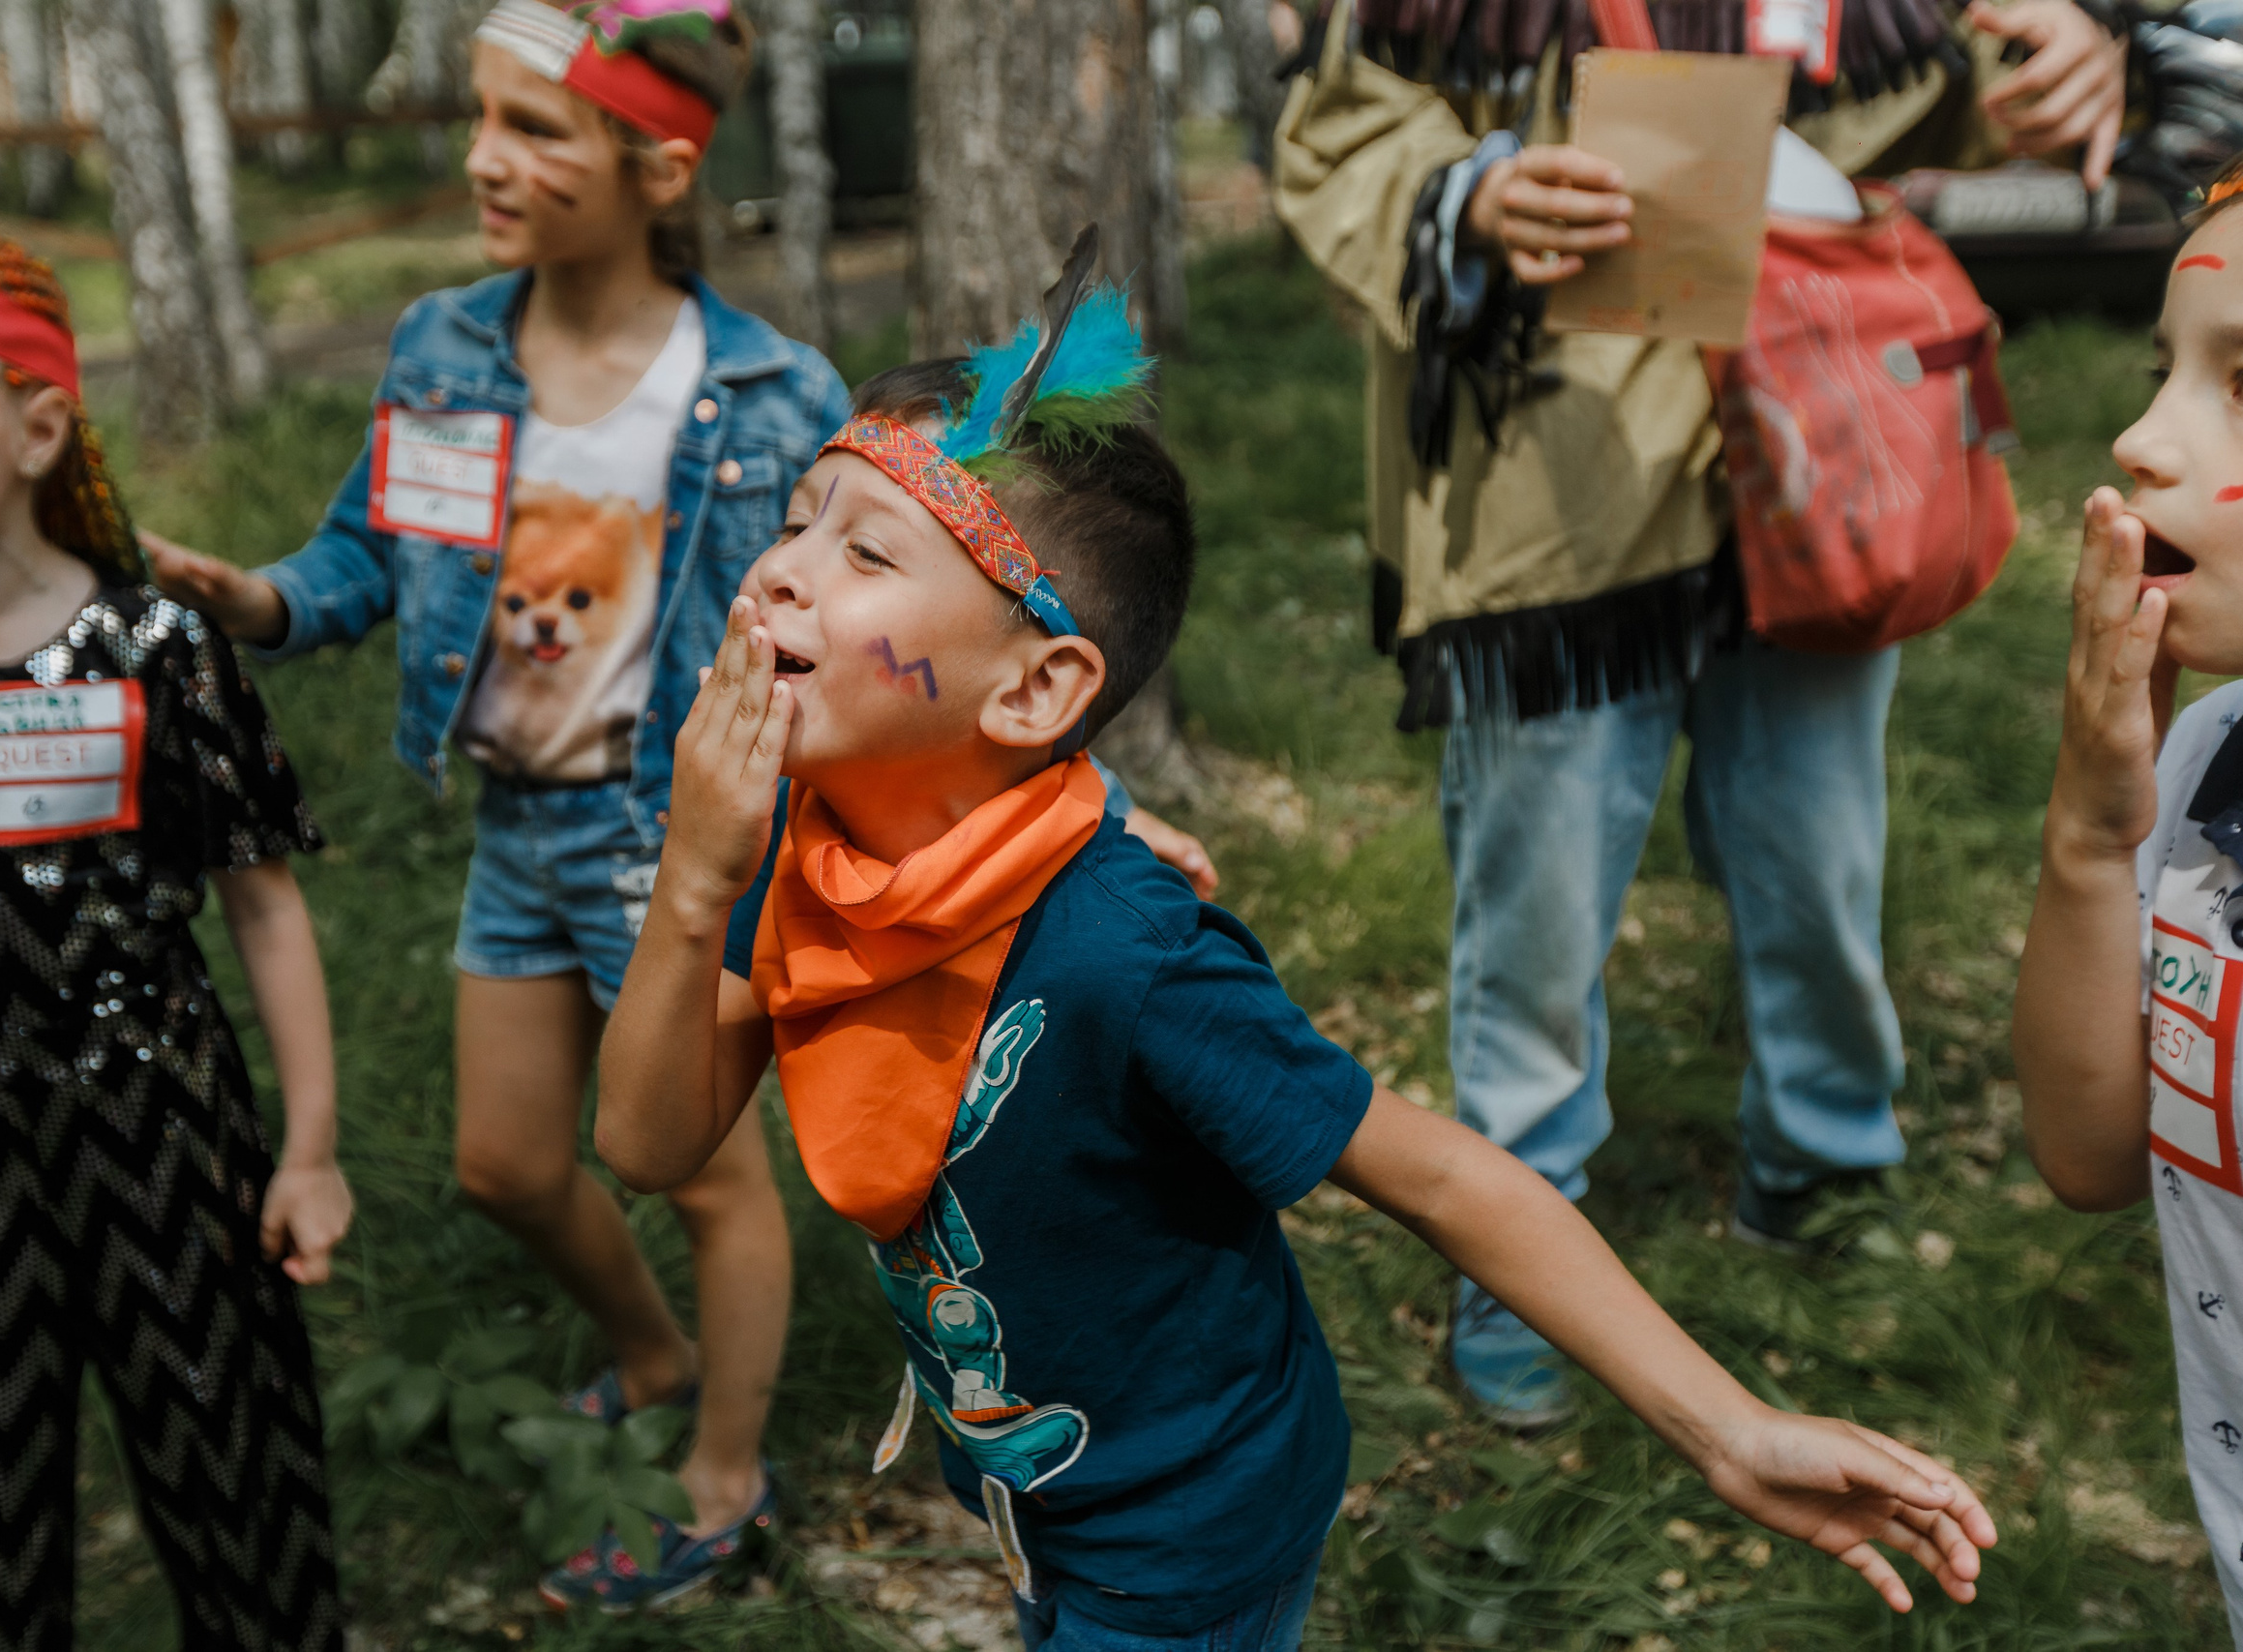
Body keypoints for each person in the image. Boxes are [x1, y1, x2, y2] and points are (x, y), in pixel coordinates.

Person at [592, 274, 1997, 1650]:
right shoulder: (799, 845)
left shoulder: (1127, 956)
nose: (781, 566)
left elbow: (1440, 1177)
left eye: (867, 554)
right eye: (797, 525)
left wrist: (1728, 1428)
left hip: (1188, 1550)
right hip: (1045, 1507)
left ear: (1034, 692)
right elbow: (649, 1141)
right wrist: (698, 872)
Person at [1272, 0, 2133, 1426]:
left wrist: (2072, 57)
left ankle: (1824, 1173)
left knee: (1818, 859)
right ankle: (1519, 1255)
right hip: (1556, 489)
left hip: (1818, 449)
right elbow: (1341, 126)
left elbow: (1959, 69)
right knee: (1537, 907)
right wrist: (1471, 195)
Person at [142, 0, 830, 1608]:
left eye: (535, 128)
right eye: (479, 117)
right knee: (505, 1167)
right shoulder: (445, 346)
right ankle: (651, 1359)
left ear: (659, 167)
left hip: (670, 844)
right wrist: (249, 598)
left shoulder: (769, 388)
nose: (482, 159)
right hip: (517, 836)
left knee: (704, 1171)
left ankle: (728, 1476)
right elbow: (365, 559)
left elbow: (851, 621)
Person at [0, 195, 352, 1646]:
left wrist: (314, 1146)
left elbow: (263, 903)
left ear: (34, 429)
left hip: (174, 1138)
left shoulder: (159, 651)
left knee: (244, 1499)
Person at [2014, 160, 2243, 1642]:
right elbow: (2097, 1151)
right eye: (2167, 368)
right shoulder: (2211, 757)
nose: (2141, 436)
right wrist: (2095, 842)